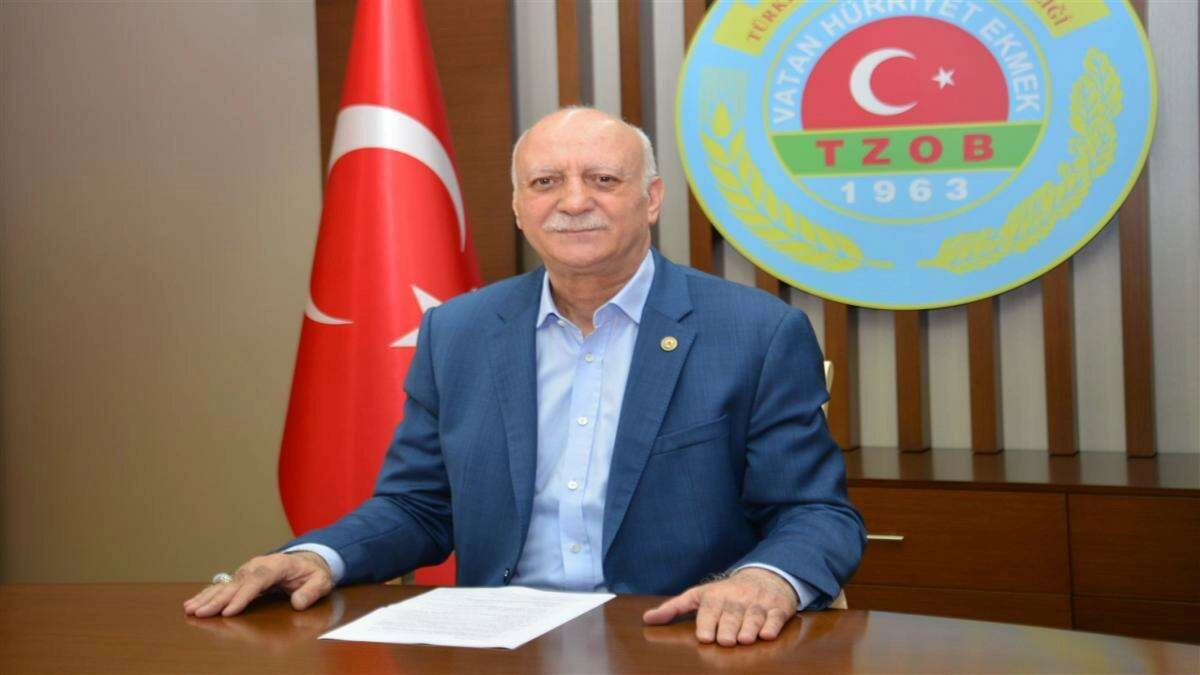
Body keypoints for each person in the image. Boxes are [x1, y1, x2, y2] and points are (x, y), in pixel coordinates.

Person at [185, 107, 865, 647]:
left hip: (673, 637)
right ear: (518, 207)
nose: (574, 201)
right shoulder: (458, 331)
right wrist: (319, 555)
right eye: (545, 182)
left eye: (604, 179)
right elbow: (419, 505)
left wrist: (763, 579)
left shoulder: (756, 332)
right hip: (497, 644)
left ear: (652, 198)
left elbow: (814, 512)